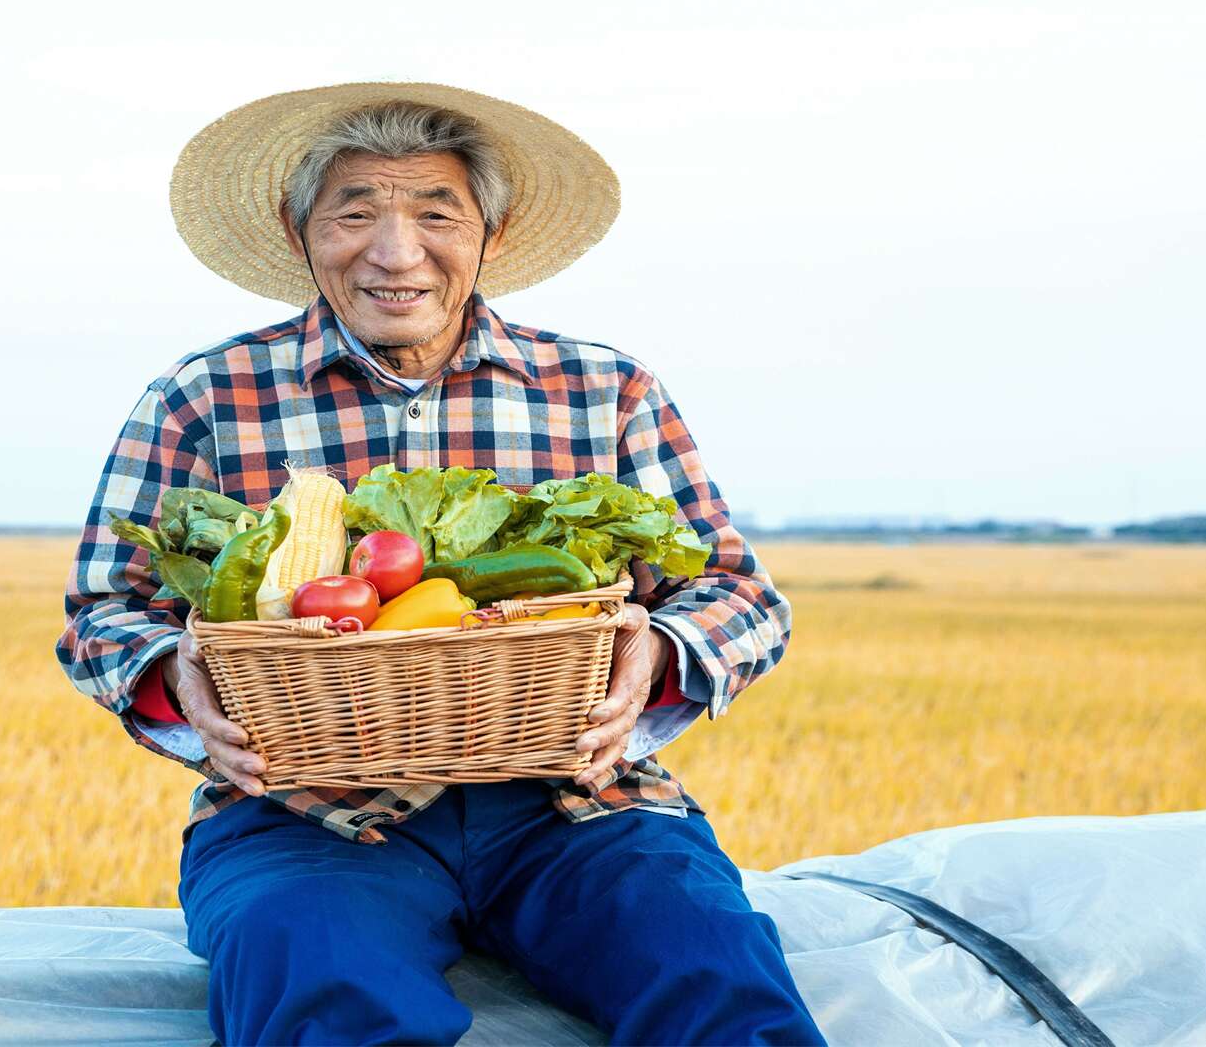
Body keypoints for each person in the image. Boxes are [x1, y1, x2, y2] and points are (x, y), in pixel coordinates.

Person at [56, 82, 822, 1046]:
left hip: (582, 807)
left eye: (434, 214)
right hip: (308, 818)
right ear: (301, 237)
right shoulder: (203, 398)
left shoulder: (606, 390)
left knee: (714, 977)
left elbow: (739, 594)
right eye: (355, 213)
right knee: (323, 988)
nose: (394, 252)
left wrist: (658, 651)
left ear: (489, 236)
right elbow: (101, 610)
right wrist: (174, 675)